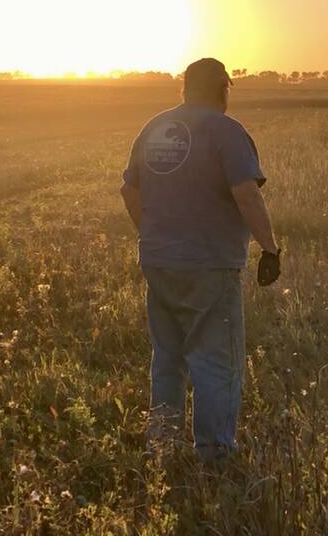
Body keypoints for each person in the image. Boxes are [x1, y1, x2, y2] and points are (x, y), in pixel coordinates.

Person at [120, 57, 281, 461]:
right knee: (215, 360)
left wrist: (153, 234)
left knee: (168, 355)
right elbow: (247, 193)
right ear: (223, 89)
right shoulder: (226, 131)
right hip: (210, 263)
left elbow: (129, 191)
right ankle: (213, 455)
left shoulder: (154, 128)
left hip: (158, 260)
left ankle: (162, 445)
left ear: (185, 88)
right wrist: (270, 248)